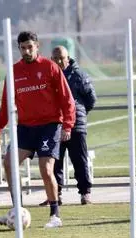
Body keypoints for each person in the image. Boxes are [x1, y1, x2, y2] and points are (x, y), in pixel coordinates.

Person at [0, 31, 75, 228]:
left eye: (30, 47)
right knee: (9, 162)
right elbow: (6, 105)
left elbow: (66, 99)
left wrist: (68, 125)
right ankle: (16, 211)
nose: (27, 51)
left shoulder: (50, 67)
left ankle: (55, 215)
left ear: (37, 46)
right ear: (18, 49)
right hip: (26, 128)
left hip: (49, 125)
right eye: (23, 48)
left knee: (46, 169)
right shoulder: (13, 73)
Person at [39, 45, 96, 206]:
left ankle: (85, 194)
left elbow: (91, 99)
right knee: (54, 162)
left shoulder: (78, 75)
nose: (58, 61)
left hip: (76, 125)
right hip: (54, 125)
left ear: (68, 57)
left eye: (61, 58)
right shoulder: (48, 75)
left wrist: (79, 114)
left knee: (79, 160)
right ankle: (55, 196)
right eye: (55, 58)